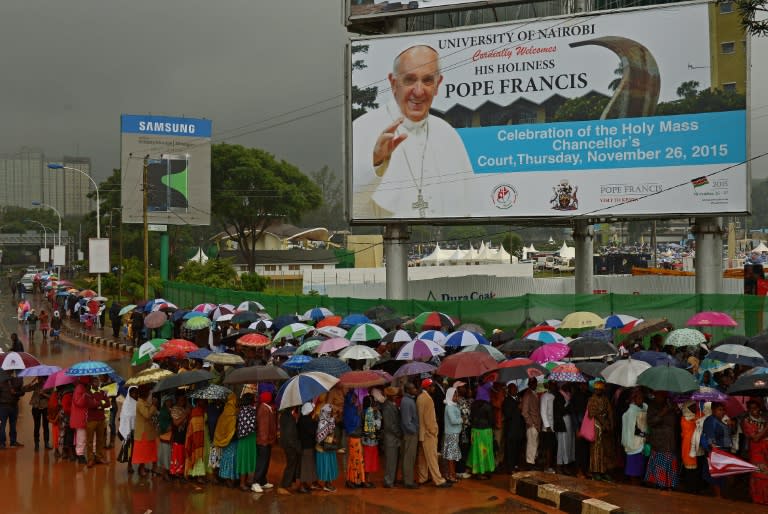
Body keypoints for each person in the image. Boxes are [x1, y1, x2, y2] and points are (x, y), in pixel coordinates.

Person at [352, 44, 473, 219]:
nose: (418, 91)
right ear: (393, 84)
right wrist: (376, 162)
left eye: (427, 80)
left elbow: (468, 207)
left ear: (438, 85)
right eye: (409, 80)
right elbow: (350, 209)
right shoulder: (362, 128)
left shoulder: (449, 135)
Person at [416, 378, 450, 487]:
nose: (433, 388)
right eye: (432, 386)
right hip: (428, 433)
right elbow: (429, 419)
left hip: (421, 433)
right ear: (427, 387)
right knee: (432, 457)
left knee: (423, 458)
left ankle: (423, 477)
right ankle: (438, 480)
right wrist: (434, 431)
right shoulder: (428, 399)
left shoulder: (420, 398)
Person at [644, 390, 681, 490]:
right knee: (660, 462)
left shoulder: (670, 404)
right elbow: (650, 422)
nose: (662, 396)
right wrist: (662, 413)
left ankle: (669, 484)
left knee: (670, 461)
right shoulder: (652, 406)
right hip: (659, 440)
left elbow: (676, 422)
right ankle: (659, 483)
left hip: (670, 439)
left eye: (663, 394)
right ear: (655, 395)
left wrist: (677, 411)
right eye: (659, 394)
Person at [701, 401, 735, 498]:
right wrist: (715, 452)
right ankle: (718, 499)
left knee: (723, 477)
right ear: (713, 410)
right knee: (717, 477)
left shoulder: (722, 421)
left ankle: (721, 497)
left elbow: (729, 435)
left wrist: (730, 425)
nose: (722, 412)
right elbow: (710, 437)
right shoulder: (710, 420)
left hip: (725, 452)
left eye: (723, 410)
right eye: (719, 410)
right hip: (717, 452)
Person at [741, 399, 768, 505]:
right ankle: (757, 499)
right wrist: (766, 428)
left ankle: (765, 498)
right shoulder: (746, 421)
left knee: (765, 475)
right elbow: (755, 438)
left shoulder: (763, 420)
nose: (754, 411)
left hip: (765, 451)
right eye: (751, 409)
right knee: (758, 475)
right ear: (748, 410)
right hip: (755, 451)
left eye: (756, 408)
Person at [586, 380, 614, 481]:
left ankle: (603, 471)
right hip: (596, 426)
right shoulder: (591, 399)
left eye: (600, 389)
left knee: (605, 449)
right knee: (596, 449)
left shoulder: (605, 399)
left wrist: (611, 424)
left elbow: (610, 412)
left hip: (605, 426)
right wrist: (604, 423)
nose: (598, 391)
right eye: (596, 389)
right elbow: (594, 413)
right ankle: (595, 471)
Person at [467, 382, 495, 480]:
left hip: (475, 431)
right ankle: (485, 470)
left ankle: (476, 471)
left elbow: (471, 417)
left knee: (476, 450)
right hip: (485, 431)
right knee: (486, 450)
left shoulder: (473, 404)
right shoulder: (487, 405)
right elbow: (491, 420)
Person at [621, 387, 648, 484]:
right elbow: (632, 429)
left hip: (641, 442)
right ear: (634, 399)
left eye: (642, 397)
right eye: (638, 398)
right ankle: (633, 484)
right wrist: (643, 434)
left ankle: (638, 482)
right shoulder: (631, 411)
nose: (641, 400)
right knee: (633, 465)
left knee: (640, 465)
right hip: (633, 442)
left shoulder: (644, 408)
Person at [252, 391, 277, 492]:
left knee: (265, 462)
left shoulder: (266, 407)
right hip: (263, 441)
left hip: (267, 440)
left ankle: (262, 481)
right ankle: (255, 482)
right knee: (262, 462)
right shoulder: (264, 408)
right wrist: (264, 441)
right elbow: (263, 426)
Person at [213, 393, 238, 488]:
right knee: (231, 459)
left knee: (225, 458)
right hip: (231, 440)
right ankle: (229, 479)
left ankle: (226, 477)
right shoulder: (233, 412)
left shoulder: (224, 412)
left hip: (225, 440)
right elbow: (231, 426)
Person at [343, 389, 366, 489]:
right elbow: (351, 422)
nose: (354, 399)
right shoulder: (348, 409)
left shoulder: (353, 408)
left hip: (356, 435)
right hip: (353, 436)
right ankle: (352, 479)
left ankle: (357, 479)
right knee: (353, 459)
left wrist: (359, 410)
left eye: (355, 398)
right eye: (353, 398)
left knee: (358, 459)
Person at [84, 375, 109, 467]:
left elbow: (108, 403)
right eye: (94, 381)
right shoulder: (87, 393)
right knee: (90, 441)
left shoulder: (102, 392)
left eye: (97, 381)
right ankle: (90, 459)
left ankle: (99, 457)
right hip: (91, 420)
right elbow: (90, 405)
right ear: (91, 383)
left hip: (101, 419)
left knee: (100, 440)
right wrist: (101, 403)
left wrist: (97, 403)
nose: (97, 383)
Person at [380, 386, 402, 488]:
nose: (395, 397)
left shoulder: (389, 405)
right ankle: (388, 481)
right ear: (389, 396)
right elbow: (389, 425)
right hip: (391, 438)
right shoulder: (387, 407)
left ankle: (391, 479)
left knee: (394, 460)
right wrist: (398, 433)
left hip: (393, 438)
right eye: (394, 395)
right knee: (391, 461)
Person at [235, 392, 258, 492]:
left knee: (244, 459)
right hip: (249, 438)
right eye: (253, 398)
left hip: (243, 438)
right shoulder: (251, 410)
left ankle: (244, 482)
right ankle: (242, 483)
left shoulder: (241, 410)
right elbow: (254, 424)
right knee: (247, 460)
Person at [315, 402, 338, 492]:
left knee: (326, 466)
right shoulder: (322, 422)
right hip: (324, 449)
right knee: (326, 466)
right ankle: (327, 484)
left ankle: (326, 483)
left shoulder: (328, 420)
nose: (330, 413)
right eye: (329, 412)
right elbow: (320, 437)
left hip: (327, 448)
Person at [400, 382, 420, 489]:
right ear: (408, 390)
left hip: (409, 433)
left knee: (407, 456)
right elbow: (406, 421)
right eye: (413, 388)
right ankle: (408, 481)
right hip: (410, 434)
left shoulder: (407, 400)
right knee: (409, 457)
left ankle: (406, 478)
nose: (415, 390)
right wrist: (414, 430)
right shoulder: (407, 401)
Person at [278, 405, 301, 495]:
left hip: (286, 443)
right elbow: (290, 434)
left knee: (291, 464)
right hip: (290, 445)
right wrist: (296, 446)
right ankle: (283, 486)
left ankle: (287, 484)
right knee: (291, 465)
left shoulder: (284, 415)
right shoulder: (289, 417)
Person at [502, 382, 525, 473]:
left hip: (518, 429)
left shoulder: (518, 399)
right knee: (510, 449)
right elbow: (508, 414)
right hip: (511, 430)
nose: (515, 390)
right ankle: (510, 467)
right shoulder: (507, 400)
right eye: (513, 389)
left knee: (517, 448)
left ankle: (515, 465)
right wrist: (517, 407)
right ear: (509, 390)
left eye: (516, 388)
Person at [443, 384, 463, 482]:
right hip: (452, 433)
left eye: (457, 395)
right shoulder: (449, 407)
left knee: (451, 455)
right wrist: (461, 419)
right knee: (451, 455)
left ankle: (450, 474)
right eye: (454, 395)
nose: (456, 397)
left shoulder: (452, 405)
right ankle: (451, 475)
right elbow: (453, 420)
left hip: (454, 433)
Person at [0, 370, 25, 448]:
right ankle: (6, 442)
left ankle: (9, 442)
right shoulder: (2, 382)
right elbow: (22, 392)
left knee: (10, 425)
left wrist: (15, 393)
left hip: (9, 406)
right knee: (4, 425)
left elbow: (22, 392)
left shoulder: (16, 381)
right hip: (6, 406)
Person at [521, 377, 542, 469]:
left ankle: (532, 461)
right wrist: (530, 423)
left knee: (534, 444)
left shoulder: (534, 393)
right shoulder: (527, 394)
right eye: (534, 383)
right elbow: (524, 412)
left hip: (536, 424)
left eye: (536, 383)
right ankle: (530, 463)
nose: (536, 384)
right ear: (530, 384)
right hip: (532, 424)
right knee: (531, 445)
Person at [361, 395, 381, 487]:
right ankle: (366, 480)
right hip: (371, 441)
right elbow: (377, 426)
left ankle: (365, 479)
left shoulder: (362, 412)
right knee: (369, 461)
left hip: (364, 440)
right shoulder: (371, 412)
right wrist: (377, 415)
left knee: (365, 460)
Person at [540, 380, 556, 473]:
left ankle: (550, 465)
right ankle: (546, 467)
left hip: (553, 426)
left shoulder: (554, 396)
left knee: (551, 447)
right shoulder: (544, 396)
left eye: (555, 385)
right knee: (548, 448)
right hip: (547, 428)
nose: (554, 386)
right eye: (552, 385)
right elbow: (543, 411)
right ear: (549, 386)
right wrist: (547, 426)